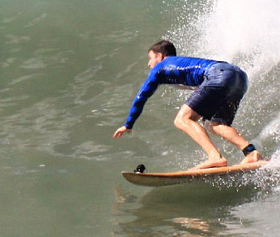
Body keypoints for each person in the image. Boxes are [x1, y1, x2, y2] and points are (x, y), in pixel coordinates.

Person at [113, 40, 263, 170]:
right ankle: (251, 152)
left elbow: (141, 97)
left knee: (182, 119)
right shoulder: (183, 63)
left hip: (219, 75)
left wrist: (128, 124)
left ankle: (214, 157)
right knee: (215, 125)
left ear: (160, 56)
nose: (149, 64)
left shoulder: (161, 67)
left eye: (150, 58)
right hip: (239, 78)